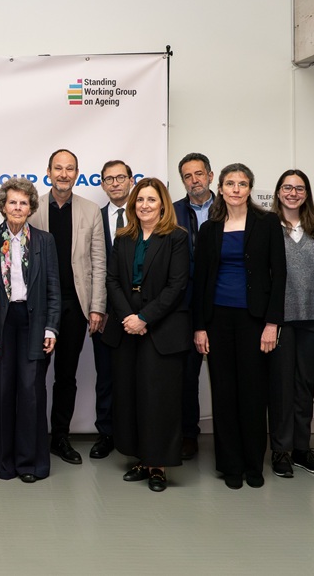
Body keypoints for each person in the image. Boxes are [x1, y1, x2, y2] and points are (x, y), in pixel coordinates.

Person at [193, 163, 285, 489]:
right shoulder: (209, 228)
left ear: (250, 188)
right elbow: (201, 280)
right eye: (230, 183)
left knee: (252, 392)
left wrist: (273, 322)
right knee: (224, 393)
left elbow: (279, 275)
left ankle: (252, 463)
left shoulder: (268, 222)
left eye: (242, 183)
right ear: (220, 188)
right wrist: (200, 327)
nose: (235, 189)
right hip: (217, 320)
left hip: (255, 320)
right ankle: (230, 464)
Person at [102, 178, 190, 492]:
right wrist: (128, 316)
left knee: (159, 399)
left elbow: (176, 285)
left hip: (160, 328)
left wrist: (143, 318)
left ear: (163, 204)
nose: (144, 206)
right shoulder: (123, 237)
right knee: (130, 396)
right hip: (126, 328)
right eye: (140, 201)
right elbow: (112, 280)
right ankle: (140, 458)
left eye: (151, 200)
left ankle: (158, 465)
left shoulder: (176, 238)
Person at [0, 177, 61, 483]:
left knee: (31, 391)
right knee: (1, 392)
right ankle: (5, 464)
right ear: (2, 206)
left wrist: (51, 327)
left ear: (31, 208)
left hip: (33, 321)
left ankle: (30, 464)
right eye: (12, 202)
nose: (18, 207)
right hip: (0, 323)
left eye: (24, 202)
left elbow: (53, 288)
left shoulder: (44, 241)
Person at [28, 149, 105, 465]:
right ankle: (33, 438)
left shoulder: (90, 211)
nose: (63, 173)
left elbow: (99, 261)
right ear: (48, 172)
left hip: (75, 305)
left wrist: (97, 306)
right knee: (34, 375)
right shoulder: (31, 210)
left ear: (76, 173)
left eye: (69, 168)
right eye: (58, 168)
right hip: (38, 307)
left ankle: (60, 436)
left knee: (66, 376)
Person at [268, 170, 314, 478]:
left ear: (306, 193)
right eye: (287, 187)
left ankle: (302, 449)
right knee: (280, 387)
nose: (293, 192)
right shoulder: (266, 226)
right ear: (278, 192)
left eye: (299, 188)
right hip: (278, 320)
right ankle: (280, 450)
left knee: (305, 385)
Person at [87, 159, 134, 460]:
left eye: (120, 177)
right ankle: (106, 433)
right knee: (105, 375)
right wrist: (98, 307)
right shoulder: (95, 217)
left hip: (140, 312)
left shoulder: (146, 213)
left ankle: (136, 433)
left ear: (132, 180)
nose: (115, 183)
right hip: (104, 311)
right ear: (102, 184)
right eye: (109, 179)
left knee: (138, 376)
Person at [172, 152, 215, 461]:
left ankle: (230, 437)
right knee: (187, 376)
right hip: (185, 305)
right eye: (188, 176)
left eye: (199, 174)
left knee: (227, 375)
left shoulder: (231, 209)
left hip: (224, 303)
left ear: (210, 176)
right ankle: (188, 434)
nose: (194, 180)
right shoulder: (171, 212)